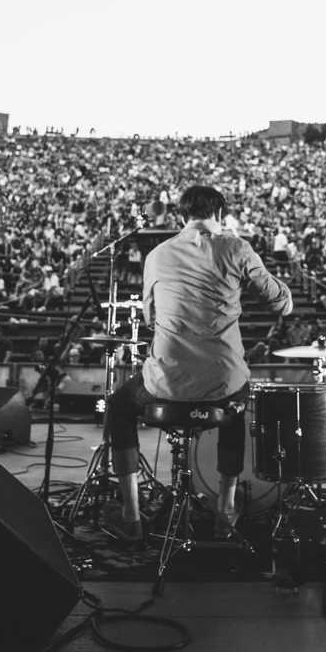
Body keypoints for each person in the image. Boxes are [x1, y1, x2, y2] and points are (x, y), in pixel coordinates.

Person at [104, 184, 293, 543]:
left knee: (119, 405)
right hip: (222, 383)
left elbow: (149, 317)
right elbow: (281, 303)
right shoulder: (237, 247)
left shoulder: (157, 254)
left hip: (166, 382)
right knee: (237, 404)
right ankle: (225, 511)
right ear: (220, 215)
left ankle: (131, 515)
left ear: (181, 217)